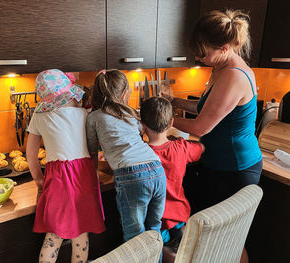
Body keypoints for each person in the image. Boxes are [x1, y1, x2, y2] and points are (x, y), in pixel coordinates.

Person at [162, 10, 262, 263]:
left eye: (203, 52)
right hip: (219, 164)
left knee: (231, 237)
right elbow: (206, 109)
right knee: (219, 235)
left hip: (235, 167)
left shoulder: (233, 76)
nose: (198, 57)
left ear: (225, 47)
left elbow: (201, 127)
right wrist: (173, 101)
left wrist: (161, 121)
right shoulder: (222, 67)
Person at [26, 69, 105, 263]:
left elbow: (31, 154)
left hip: (58, 178)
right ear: (70, 93)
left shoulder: (39, 115)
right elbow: (92, 149)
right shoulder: (83, 113)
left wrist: (38, 179)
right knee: (81, 233)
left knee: (54, 236)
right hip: (84, 176)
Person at [86, 69, 166, 247]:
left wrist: (95, 177)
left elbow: (91, 153)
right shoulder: (130, 113)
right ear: (124, 93)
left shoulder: (93, 117)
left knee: (134, 236)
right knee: (154, 230)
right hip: (157, 169)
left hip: (132, 176)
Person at [140, 97, 204, 262]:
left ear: (143, 125)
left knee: (162, 254)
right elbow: (201, 148)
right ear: (171, 124)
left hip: (156, 220)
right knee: (182, 253)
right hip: (180, 215)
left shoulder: (141, 154)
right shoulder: (181, 147)